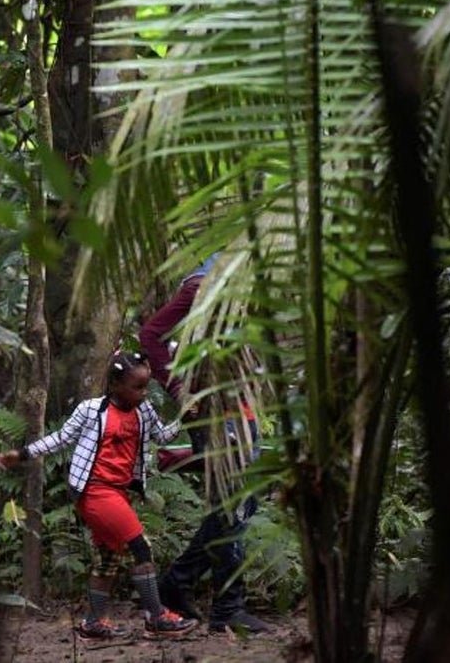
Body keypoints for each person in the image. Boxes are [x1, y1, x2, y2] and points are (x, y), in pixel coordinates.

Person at [0, 353, 199, 642]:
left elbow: (162, 437)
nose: (143, 394)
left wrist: (184, 416)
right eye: (136, 387)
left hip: (119, 491)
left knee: (107, 558)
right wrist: (23, 453)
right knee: (141, 548)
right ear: (115, 384)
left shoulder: (144, 410)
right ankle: (156, 618)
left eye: (145, 387)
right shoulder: (92, 410)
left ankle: (94, 623)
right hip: (93, 490)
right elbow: (61, 438)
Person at [139, 254, 271, 634]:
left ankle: (176, 584)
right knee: (231, 508)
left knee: (239, 504)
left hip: (241, 411)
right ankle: (227, 607)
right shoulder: (202, 287)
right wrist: (178, 389)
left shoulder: (247, 296)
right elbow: (151, 334)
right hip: (213, 413)